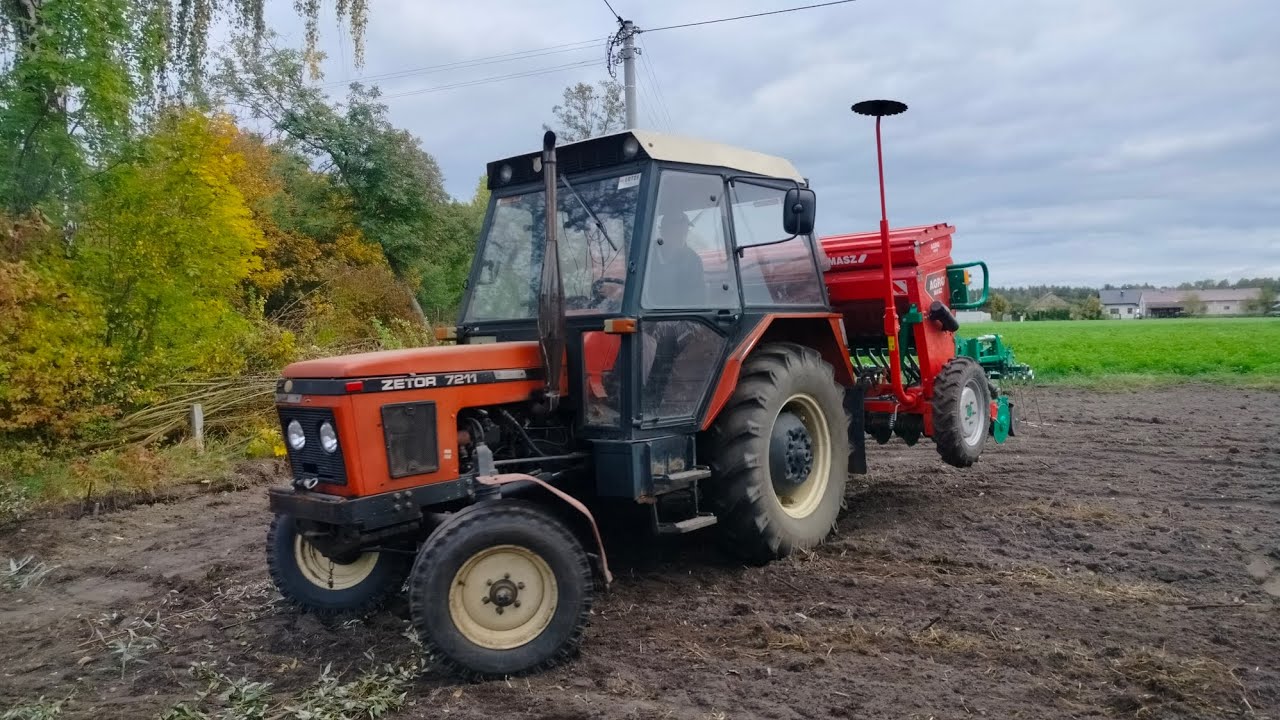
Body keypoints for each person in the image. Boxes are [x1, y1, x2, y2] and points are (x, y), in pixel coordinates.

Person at [645, 210, 706, 308]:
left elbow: (699, 298)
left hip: (682, 316)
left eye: (684, 231)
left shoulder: (693, 260)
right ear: (663, 231)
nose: (681, 236)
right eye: (677, 232)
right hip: (649, 315)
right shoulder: (646, 255)